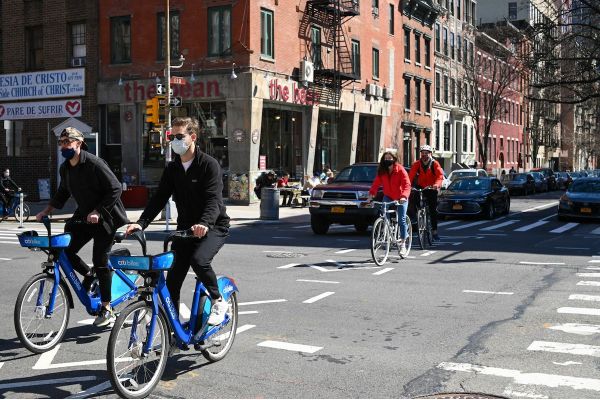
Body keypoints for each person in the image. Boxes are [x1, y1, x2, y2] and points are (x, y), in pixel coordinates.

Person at [125, 117, 230, 326]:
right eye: (172, 137)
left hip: (213, 226)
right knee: (172, 280)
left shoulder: (208, 165)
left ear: (192, 137)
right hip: (185, 229)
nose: (174, 141)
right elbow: (159, 197)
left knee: (199, 260)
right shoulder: (172, 169)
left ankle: (218, 300)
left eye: (179, 136)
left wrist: (205, 224)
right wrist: (142, 222)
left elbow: (214, 200)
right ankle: (174, 331)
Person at [36, 127, 128, 327]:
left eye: (67, 142)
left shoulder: (94, 163)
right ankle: (89, 274)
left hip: (106, 217)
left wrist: (98, 211)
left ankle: (106, 308)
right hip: (85, 216)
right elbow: (62, 192)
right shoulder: (65, 168)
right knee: (65, 251)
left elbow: (115, 188)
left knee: (100, 260)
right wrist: (47, 210)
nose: (64, 146)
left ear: (79, 143)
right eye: (61, 143)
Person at [367, 152, 411, 254]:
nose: (387, 160)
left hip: (401, 197)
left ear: (394, 159)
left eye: (389, 158)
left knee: (401, 219)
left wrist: (404, 197)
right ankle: (387, 227)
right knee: (383, 213)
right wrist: (370, 196)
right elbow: (376, 184)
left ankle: (403, 243)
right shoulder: (382, 171)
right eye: (385, 158)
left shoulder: (400, 169)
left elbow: (407, 185)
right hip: (388, 196)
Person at [408, 145, 444, 241]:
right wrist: (408, 186)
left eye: (426, 153)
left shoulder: (434, 164)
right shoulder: (417, 164)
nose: (424, 155)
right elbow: (410, 176)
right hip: (421, 186)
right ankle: (418, 217)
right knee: (414, 198)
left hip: (432, 187)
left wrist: (436, 185)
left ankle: (434, 231)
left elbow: (440, 176)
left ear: (430, 154)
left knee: (432, 209)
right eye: (423, 153)